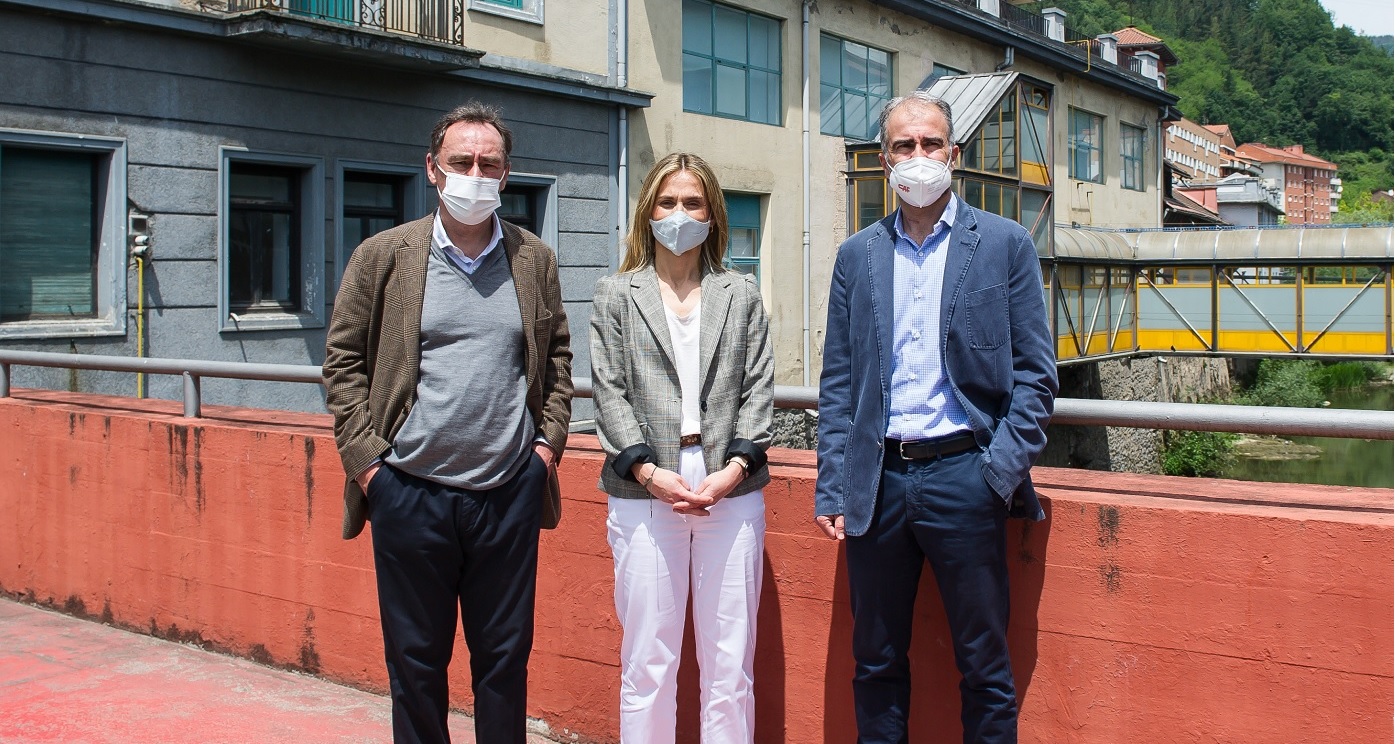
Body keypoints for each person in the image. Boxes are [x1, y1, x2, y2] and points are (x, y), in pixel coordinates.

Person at [323, 101, 572, 744]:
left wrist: (545, 449)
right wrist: (371, 468)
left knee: (504, 664)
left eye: (488, 163)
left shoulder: (533, 259)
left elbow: (558, 358)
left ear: (506, 174)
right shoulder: (384, 256)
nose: (475, 173)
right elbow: (343, 361)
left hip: (507, 493)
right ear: (433, 169)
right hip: (410, 492)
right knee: (414, 664)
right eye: (462, 161)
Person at [814, 90, 1058, 744]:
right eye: (903, 146)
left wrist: (995, 475)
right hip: (878, 482)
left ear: (953, 154)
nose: (917, 157)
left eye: (929, 144)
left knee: (983, 666)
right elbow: (838, 381)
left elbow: (1037, 375)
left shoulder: (1005, 244)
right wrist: (833, 483)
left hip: (964, 477)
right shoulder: (856, 256)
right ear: (882, 159)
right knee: (875, 662)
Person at [589, 152, 774, 744]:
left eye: (692, 202)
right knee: (647, 660)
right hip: (646, 490)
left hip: (730, 488)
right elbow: (609, 390)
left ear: (712, 215)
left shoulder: (740, 293)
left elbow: (758, 388)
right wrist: (647, 472)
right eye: (667, 202)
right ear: (648, 213)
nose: (679, 214)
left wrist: (734, 469)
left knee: (729, 666)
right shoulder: (617, 294)